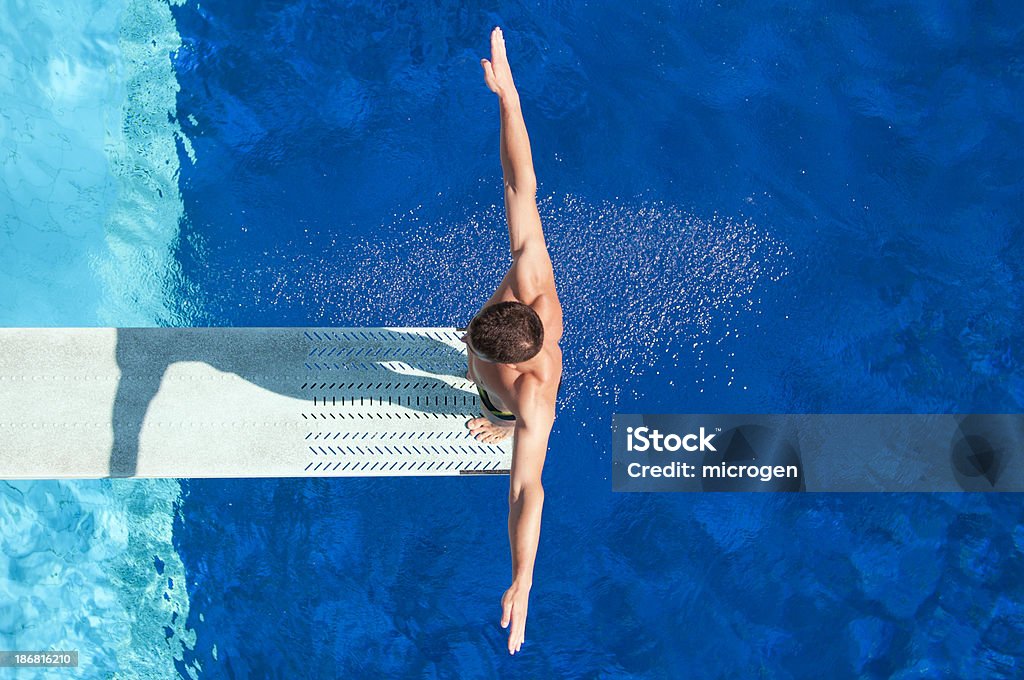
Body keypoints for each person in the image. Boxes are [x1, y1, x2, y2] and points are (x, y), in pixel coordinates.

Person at [463, 26, 563, 657]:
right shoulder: (531, 280)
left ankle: (492, 420)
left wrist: (522, 576)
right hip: (514, 361)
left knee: (514, 428)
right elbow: (520, 182)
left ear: (509, 361)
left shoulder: (532, 396)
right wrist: (510, 101)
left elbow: (529, 489)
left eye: (479, 350)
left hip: (507, 407)